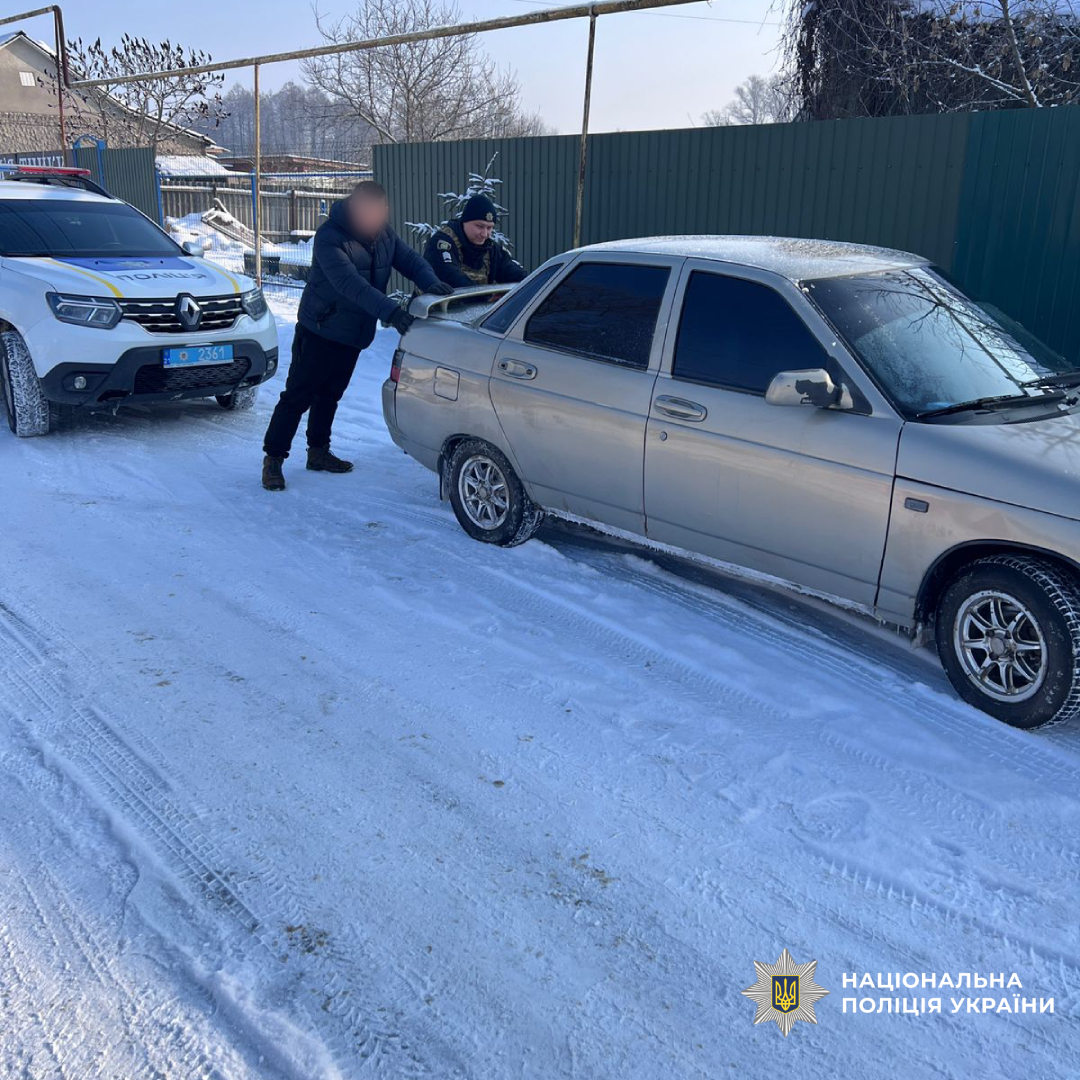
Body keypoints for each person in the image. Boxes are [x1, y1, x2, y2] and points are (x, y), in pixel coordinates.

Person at [261, 180, 452, 492]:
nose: (372, 217)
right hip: (320, 329)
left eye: (378, 212)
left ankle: (318, 452)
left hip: (352, 333)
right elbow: (351, 285)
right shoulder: (330, 237)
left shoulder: (384, 234)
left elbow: (411, 261)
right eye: (366, 211)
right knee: (298, 396)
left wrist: (430, 283)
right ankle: (273, 458)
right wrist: (392, 313)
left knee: (330, 395)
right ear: (353, 207)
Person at [423, 194, 527, 289]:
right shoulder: (442, 243)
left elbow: (516, 274)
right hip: (435, 308)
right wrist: (486, 298)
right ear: (465, 221)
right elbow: (451, 277)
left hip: (475, 308)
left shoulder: (491, 249)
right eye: (479, 226)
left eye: (489, 228)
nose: (485, 234)